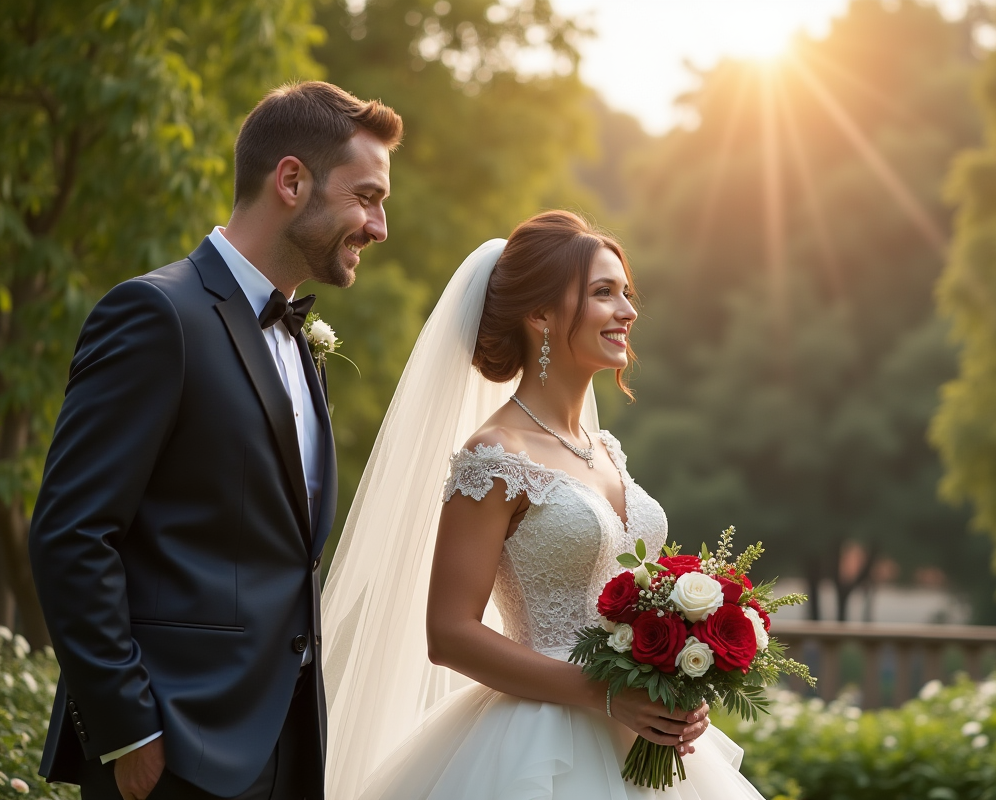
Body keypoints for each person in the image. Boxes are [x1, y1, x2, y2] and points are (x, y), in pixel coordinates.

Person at [27, 81, 401, 800]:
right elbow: (72, 534)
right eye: (367, 196)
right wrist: (127, 730)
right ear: (291, 180)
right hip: (173, 753)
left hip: (286, 749)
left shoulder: (299, 341)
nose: (380, 226)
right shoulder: (155, 315)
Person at [321, 210, 765, 798]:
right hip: (537, 746)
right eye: (603, 293)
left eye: (626, 293)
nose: (628, 312)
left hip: (639, 742)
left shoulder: (604, 448)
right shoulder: (495, 457)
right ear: (539, 315)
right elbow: (448, 632)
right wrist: (603, 691)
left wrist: (677, 689)